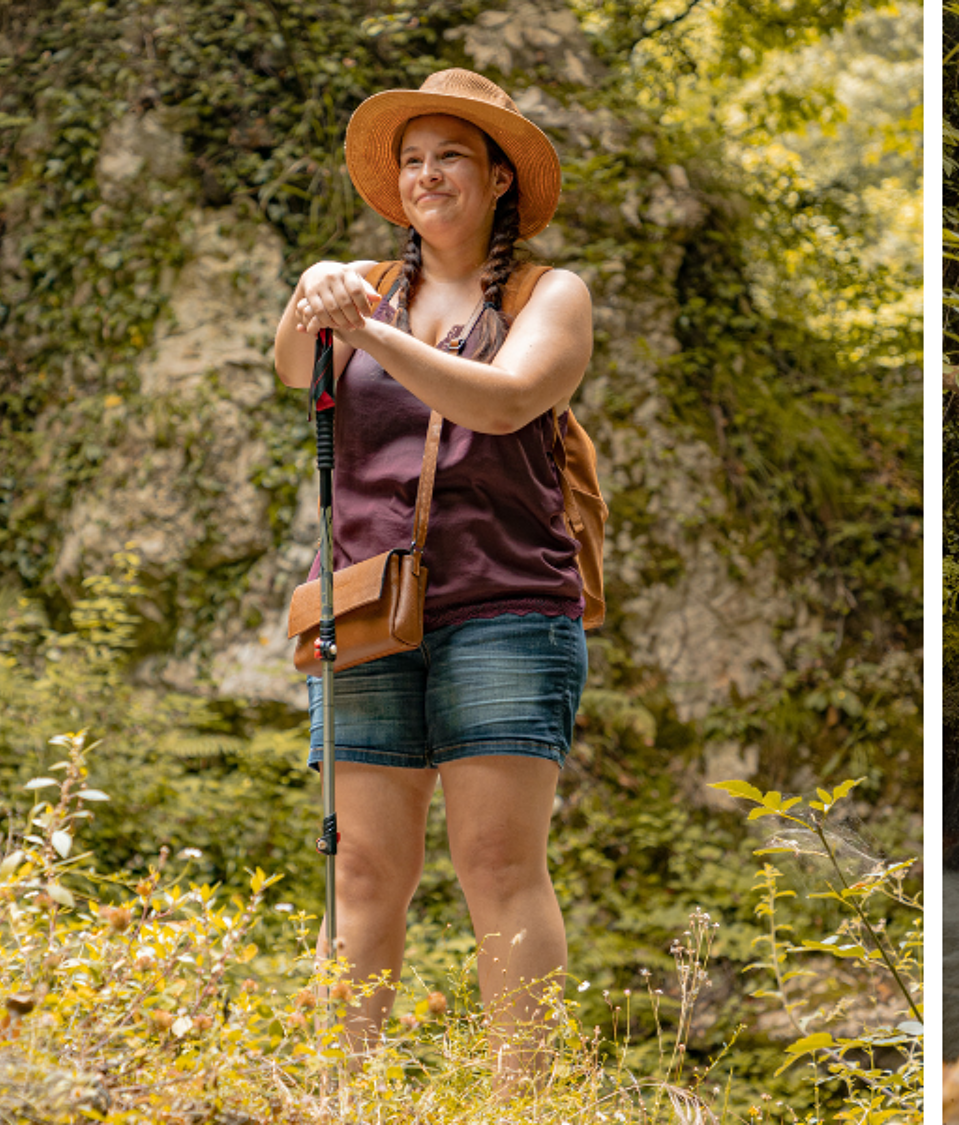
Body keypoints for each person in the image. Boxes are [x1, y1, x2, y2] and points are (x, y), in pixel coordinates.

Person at [270, 68, 595, 1088]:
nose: (426, 175)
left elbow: (502, 403)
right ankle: (339, 1095)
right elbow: (292, 366)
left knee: (498, 867)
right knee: (364, 871)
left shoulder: (552, 297)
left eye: (449, 155)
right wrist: (319, 288)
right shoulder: (362, 287)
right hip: (370, 610)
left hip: (507, 608)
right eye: (411, 160)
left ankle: (523, 1102)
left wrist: (370, 330)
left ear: (499, 177)